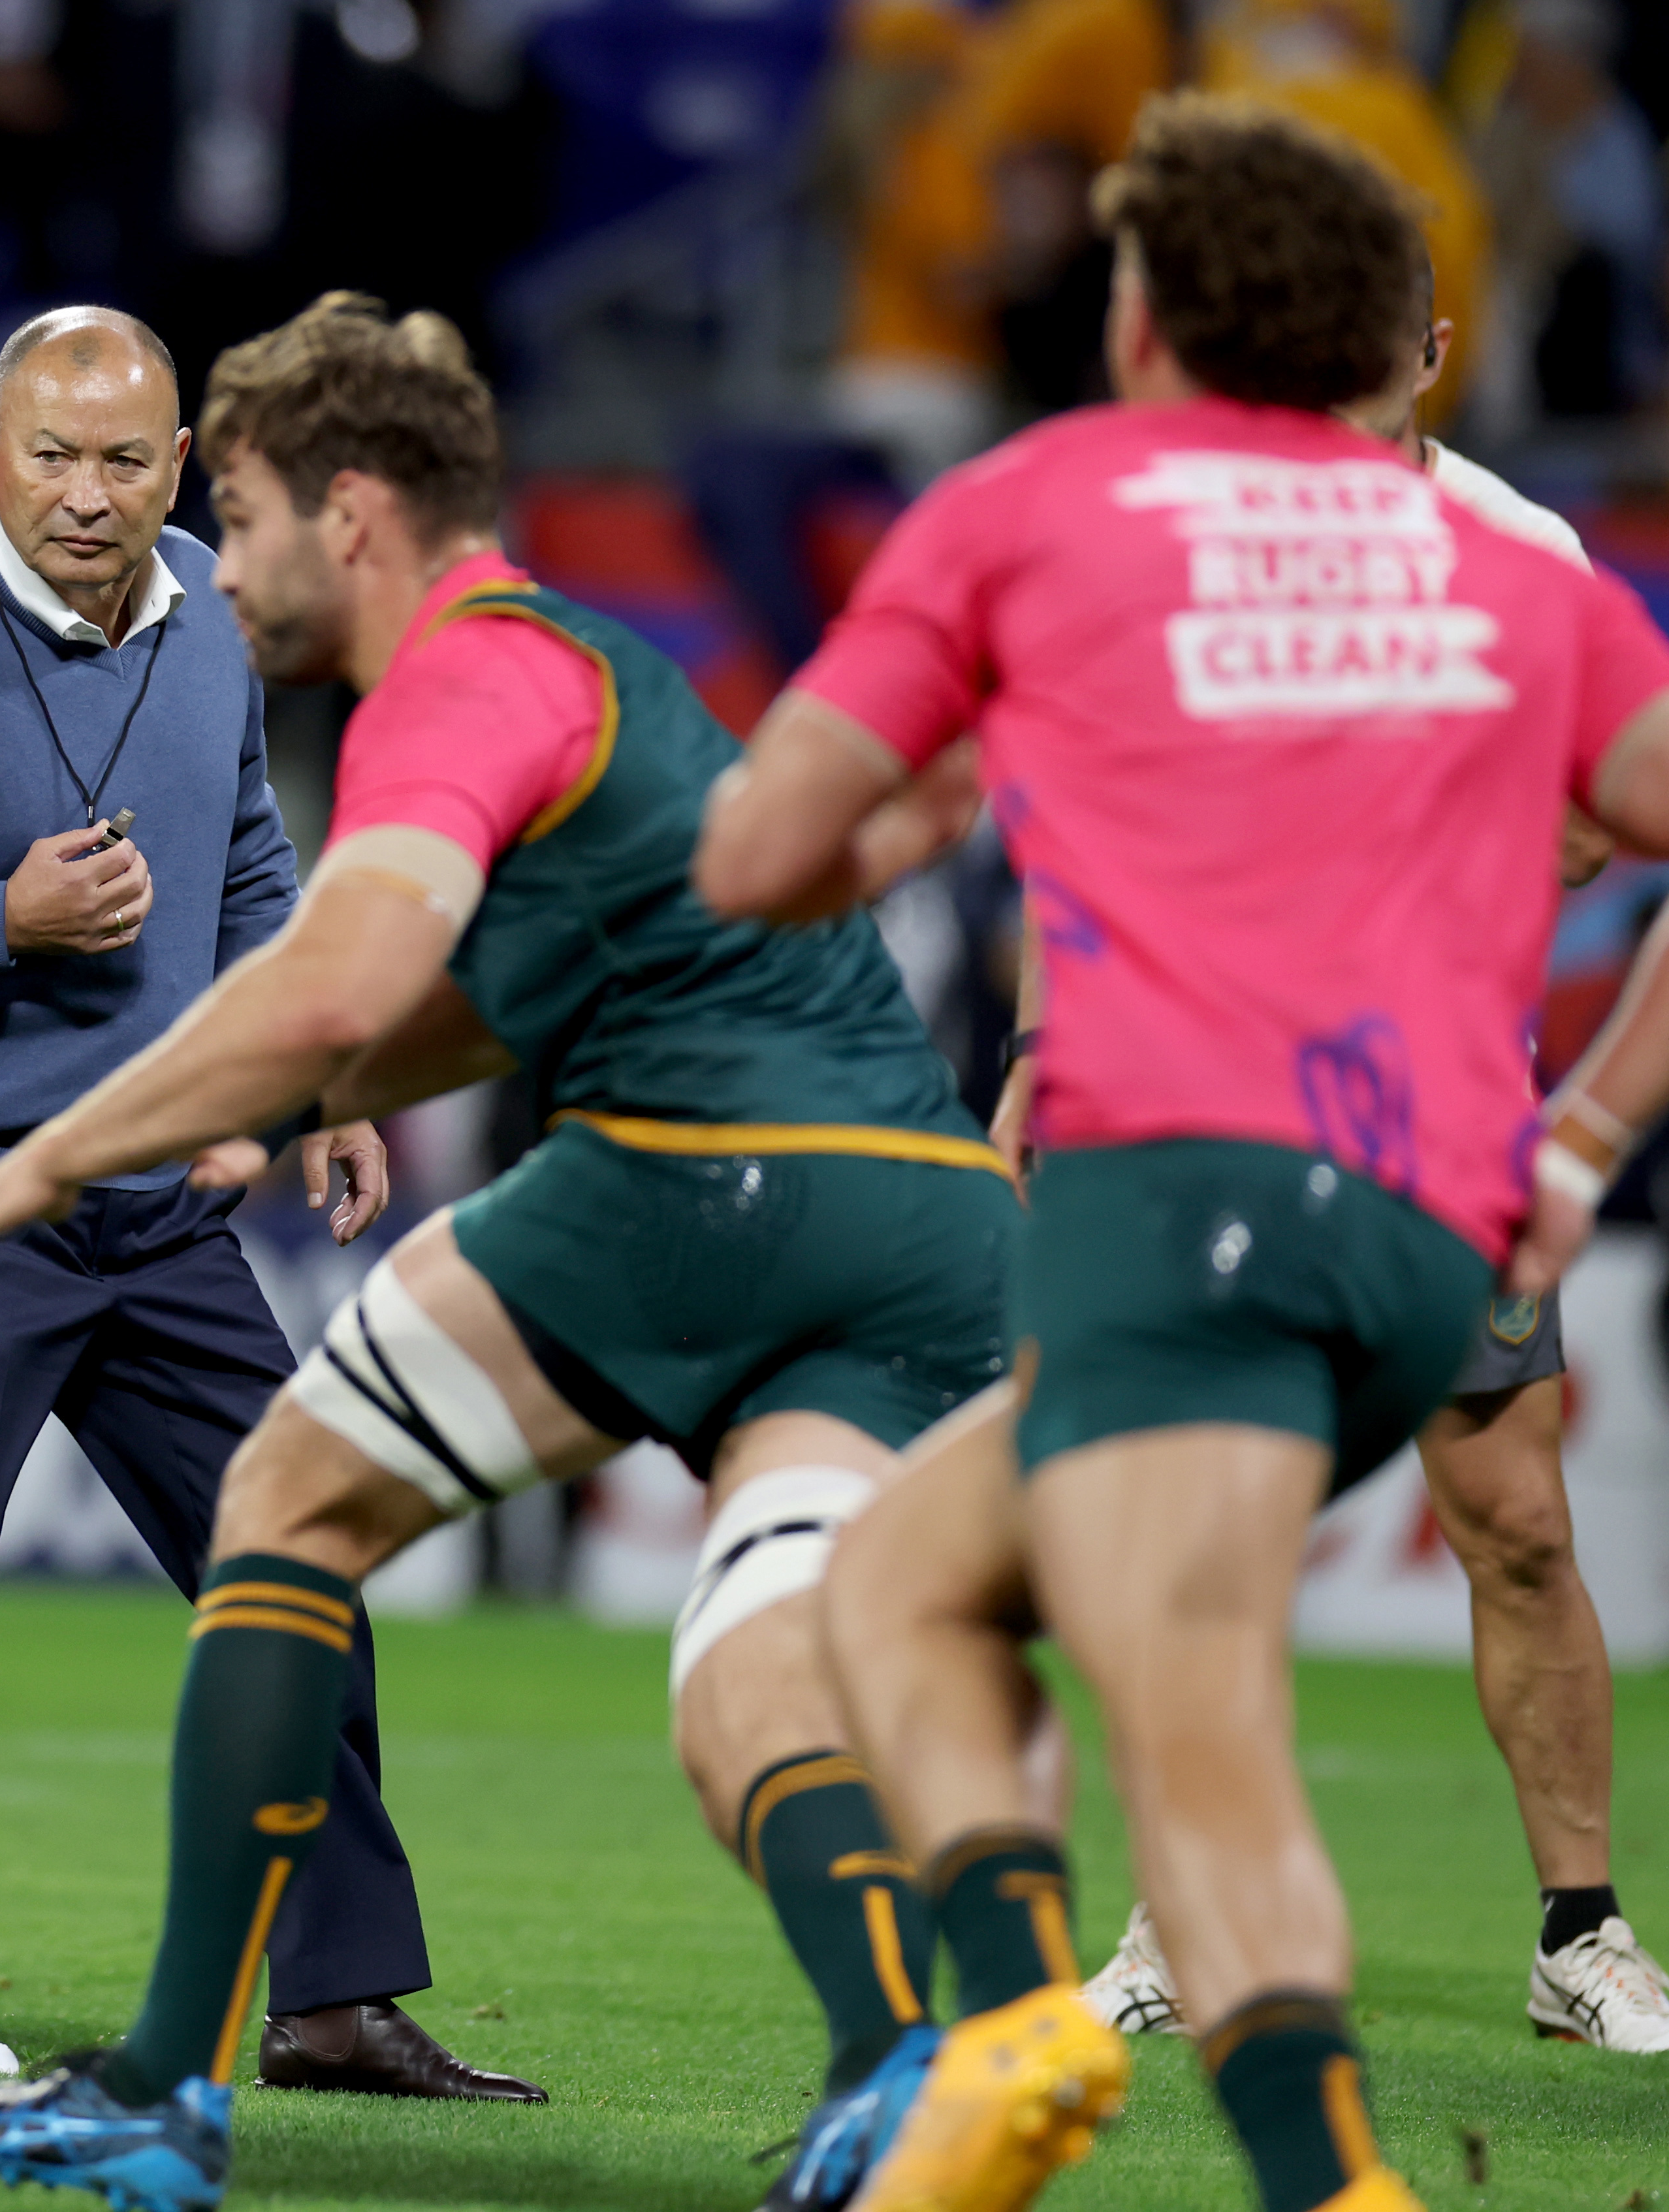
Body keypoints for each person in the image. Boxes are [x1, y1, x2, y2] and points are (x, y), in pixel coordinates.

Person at [0, 289, 1015, 2210]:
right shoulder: (599, 668)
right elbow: (478, 1003)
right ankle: (897, 2059)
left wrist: (32, 1165)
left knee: (284, 1500)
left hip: (692, 1181)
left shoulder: (459, 673)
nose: (220, 566)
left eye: (238, 513)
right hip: (916, 1227)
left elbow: (340, 971)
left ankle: (159, 2088)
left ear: (352, 512)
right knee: (749, 1666)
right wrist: (293, 1103)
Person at [697, 95, 1669, 2212]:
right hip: (1432, 1204)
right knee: (925, 1580)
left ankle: (1131, 2073)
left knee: (1155, 1674)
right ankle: (1079, 2035)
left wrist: (920, 797)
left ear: (1153, 320)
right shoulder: (1500, 574)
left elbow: (757, 850)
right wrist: (1592, 1128)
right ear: (1374, 337)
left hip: (1189, 1184)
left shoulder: (1044, 507)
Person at [0, 305, 531, 2099]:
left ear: (178, 468)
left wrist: (321, 1075)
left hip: (154, 1195)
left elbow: (247, 856)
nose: (84, 493)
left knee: (294, 1543)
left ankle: (332, 1999)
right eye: (49, 455)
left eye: (124, 459)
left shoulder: (215, 609)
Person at [1070, 268, 1669, 2055]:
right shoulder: (1197, 538)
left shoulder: (1515, 549)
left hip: (1442, 1115)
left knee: (1516, 1526)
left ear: (1428, 351)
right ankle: (1174, 1919)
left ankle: (1581, 1935)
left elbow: (1605, 807)